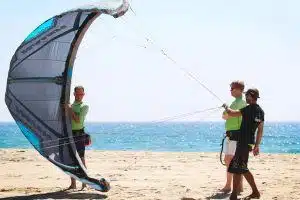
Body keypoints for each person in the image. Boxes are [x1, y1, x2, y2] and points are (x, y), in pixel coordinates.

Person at [222, 88, 264, 200]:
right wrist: (257, 145)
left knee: (237, 167)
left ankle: (234, 195)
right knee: (242, 168)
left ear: (251, 96)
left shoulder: (248, 109)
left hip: (243, 143)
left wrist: (226, 106)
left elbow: (231, 113)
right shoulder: (261, 112)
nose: (246, 98)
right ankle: (255, 192)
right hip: (249, 143)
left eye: (247, 96)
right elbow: (260, 130)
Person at [221, 81, 247, 194]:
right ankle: (238, 187)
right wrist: (227, 110)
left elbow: (225, 116)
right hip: (231, 135)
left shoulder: (240, 103)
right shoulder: (237, 102)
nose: (230, 90)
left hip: (235, 135)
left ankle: (229, 186)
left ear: (237, 89)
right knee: (232, 160)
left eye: (231, 88)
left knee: (229, 160)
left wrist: (226, 109)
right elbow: (225, 116)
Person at [67, 86, 89, 190]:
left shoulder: (84, 106)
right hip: (69, 133)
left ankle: (84, 183)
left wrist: (70, 109)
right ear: (74, 94)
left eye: (81, 94)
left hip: (79, 134)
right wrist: (68, 108)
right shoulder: (69, 105)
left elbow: (78, 121)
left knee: (81, 159)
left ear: (84, 95)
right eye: (78, 94)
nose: (80, 96)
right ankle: (73, 184)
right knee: (71, 160)